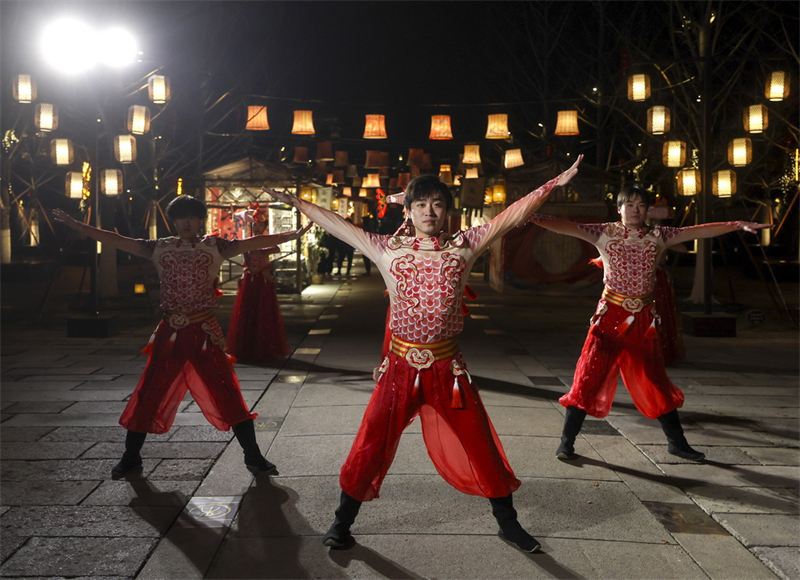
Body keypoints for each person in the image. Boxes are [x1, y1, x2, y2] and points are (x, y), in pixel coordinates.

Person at [263, 155, 582, 554]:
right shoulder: (384, 249)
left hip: (448, 371)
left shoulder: (464, 247)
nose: (429, 212)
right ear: (409, 209)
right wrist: (297, 203)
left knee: (480, 443)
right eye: (421, 204)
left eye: (437, 204)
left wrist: (554, 182)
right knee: (371, 444)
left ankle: (509, 524)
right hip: (399, 369)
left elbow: (511, 216)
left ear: (447, 211)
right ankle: (341, 523)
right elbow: (338, 225)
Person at [53, 198, 310, 478]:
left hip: (204, 334)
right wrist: (80, 227)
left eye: (192, 217)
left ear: (200, 220)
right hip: (170, 334)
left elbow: (252, 242)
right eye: (180, 218)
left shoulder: (215, 246)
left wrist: (292, 235)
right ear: (173, 221)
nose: (186, 223)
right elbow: (117, 240)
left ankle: (254, 456)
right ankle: (130, 457)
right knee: (149, 392)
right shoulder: (158, 247)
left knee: (227, 391)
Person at [529, 185, 770, 462]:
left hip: (643, 319)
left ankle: (676, 443)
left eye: (641, 205)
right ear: (619, 208)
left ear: (647, 210)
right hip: (610, 317)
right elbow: (567, 227)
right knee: (588, 376)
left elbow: (699, 231)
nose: (635, 210)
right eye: (629, 204)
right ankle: (566, 444)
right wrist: (533, 216)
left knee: (654, 379)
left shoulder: (659, 235)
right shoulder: (604, 232)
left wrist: (736, 224)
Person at [226, 205, 292, 362]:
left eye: (261, 225)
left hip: (262, 278)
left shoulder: (266, 241)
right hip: (249, 278)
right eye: (255, 225)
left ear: (265, 227)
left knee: (264, 311)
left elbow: (276, 249)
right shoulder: (247, 241)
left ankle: (265, 346)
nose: (257, 227)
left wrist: (263, 251)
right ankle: (246, 346)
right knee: (247, 311)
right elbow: (236, 250)